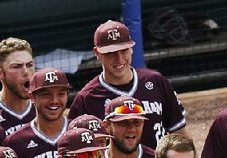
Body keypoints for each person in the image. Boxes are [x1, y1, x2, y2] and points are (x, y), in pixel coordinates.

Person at [69, 20, 187, 150]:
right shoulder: (86, 99)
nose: (119, 59)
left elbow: (179, 131)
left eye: (123, 50)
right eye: (110, 53)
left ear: (131, 48)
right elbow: (74, 148)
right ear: (97, 53)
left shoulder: (156, 81)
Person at [4, 68, 69, 158]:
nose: (54, 100)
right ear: (32, 97)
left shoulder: (79, 132)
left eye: (60, 94)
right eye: (46, 95)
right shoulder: (15, 142)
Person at [0, 38, 36, 136]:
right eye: (17, 66)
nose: (26, 72)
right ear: (0, 73)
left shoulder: (44, 107)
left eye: (29, 65)